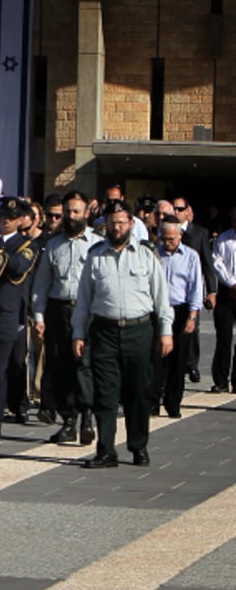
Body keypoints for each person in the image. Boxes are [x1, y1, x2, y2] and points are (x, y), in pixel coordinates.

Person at [73, 198, 173, 468]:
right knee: (105, 394)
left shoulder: (145, 255)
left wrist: (166, 331)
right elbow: (83, 299)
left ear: (131, 224)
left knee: (138, 393)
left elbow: (161, 296)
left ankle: (138, 447)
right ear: (105, 225)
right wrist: (78, 333)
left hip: (139, 330)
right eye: (112, 223)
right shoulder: (95, 256)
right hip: (104, 331)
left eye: (121, 222)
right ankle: (106, 450)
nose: (116, 227)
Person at [31, 190, 102, 445]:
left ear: (85, 213)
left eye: (76, 211)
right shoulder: (53, 245)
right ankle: (68, 420)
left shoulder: (97, 243)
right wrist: (39, 316)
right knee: (60, 366)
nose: (71, 216)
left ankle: (86, 418)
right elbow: (41, 284)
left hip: (87, 312)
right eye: (68, 211)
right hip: (58, 310)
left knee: (83, 365)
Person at [0, 197, 39, 448]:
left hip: (6, 315)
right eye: (2, 217)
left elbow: (16, 267)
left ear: (20, 221)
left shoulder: (26, 245)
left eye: (11, 218)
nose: (5, 222)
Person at [152, 217, 203, 418]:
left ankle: (173, 402)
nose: (167, 243)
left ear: (180, 235)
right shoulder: (155, 254)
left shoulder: (190, 256)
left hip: (180, 310)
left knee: (178, 359)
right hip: (158, 309)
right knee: (156, 359)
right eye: (164, 238)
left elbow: (195, 288)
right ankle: (153, 401)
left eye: (171, 239)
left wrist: (193, 315)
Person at [173, 196, 217, 384]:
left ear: (187, 211)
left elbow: (208, 264)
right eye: (173, 208)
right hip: (172, 291)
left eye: (180, 209)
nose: (176, 212)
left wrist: (212, 291)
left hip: (193, 290)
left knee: (191, 329)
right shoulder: (164, 231)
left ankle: (191, 364)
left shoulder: (199, 233)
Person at [212, 206, 236, 394]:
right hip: (227, 293)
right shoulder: (223, 238)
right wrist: (232, 283)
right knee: (224, 338)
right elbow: (217, 263)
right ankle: (221, 380)